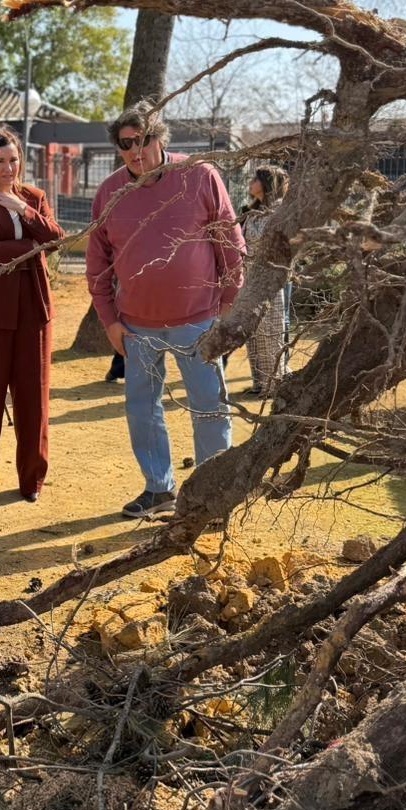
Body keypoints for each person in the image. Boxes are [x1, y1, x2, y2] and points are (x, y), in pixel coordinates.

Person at [86, 102, 246, 520]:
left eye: (144, 140)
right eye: (126, 144)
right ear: (118, 149)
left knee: (209, 408)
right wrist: (109, 320)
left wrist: (226, 309)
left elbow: (232, 246)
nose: (136, 150)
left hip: (200, 321)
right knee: (142, 410)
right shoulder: (109, 192)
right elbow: (98, 264)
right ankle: (159, 490)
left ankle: (211, 498)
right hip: (137, 327)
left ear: (161, 138)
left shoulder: (199, 175)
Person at [0, 126, 64, 503]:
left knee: (34, 400)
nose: (8, 168)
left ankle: (32, 481)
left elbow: (55, 238)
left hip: (33, 310)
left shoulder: (33, 197)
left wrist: (24, 211)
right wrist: (30, 246)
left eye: (14, 160)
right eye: (0, 161)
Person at [239, 165, 290, 397]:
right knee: (254, 332)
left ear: (266, 184)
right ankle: (259, 382)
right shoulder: (252, 212)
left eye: (256, 179)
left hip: (269, 280)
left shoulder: (280, 212)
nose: (251, 183)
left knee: (271, 330)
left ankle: (274, 383)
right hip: (249, 278)